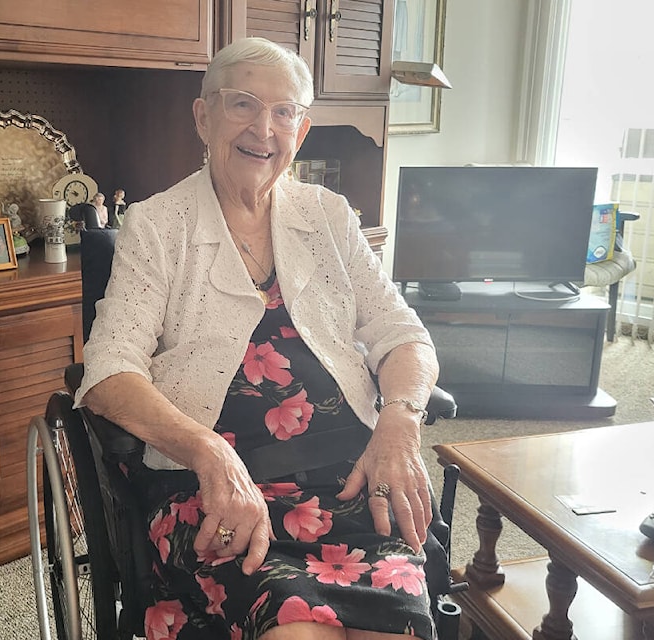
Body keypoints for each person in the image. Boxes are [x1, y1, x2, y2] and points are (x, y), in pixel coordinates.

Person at [74, 38, 441, 640]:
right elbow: (109, 372)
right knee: (298, 631)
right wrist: (209, 452)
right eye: (242, 104)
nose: (262, 129)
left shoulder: (329, 216)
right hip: (214, 491)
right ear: (203, 117)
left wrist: (399, 422)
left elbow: (403, 335)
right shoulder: (158, 226)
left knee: (394, 628)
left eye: (283, 112)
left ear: (301, 129)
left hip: (346, 475)